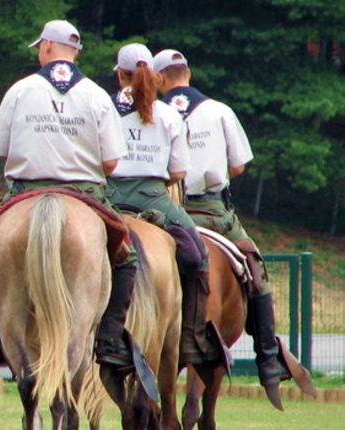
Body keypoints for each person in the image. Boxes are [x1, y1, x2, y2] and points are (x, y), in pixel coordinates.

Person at [0, 20, 141, 372]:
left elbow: (2, 151)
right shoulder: (97, 95)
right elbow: (111, 163)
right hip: (85, 194)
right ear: (75, 52)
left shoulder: (19, 90)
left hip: (26, 191)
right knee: (127, 258)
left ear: (47, 46)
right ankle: (110, 340)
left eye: (39, 47)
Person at [153, 48, 310, 390]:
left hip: (164, 210)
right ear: (188, 73)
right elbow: (237, 166)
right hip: (212, 212)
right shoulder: (219, 110)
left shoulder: (153, 112)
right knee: (254, 266)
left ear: (159, 79)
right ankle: (268, 355)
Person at [105, 43, 224, 368]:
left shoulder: (103, 107)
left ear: (120, 75)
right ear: (154, 77)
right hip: (154, 197)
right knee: (197, 254)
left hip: (108, 198)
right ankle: (192, 338)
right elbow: (179, 173)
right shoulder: (169, 114)